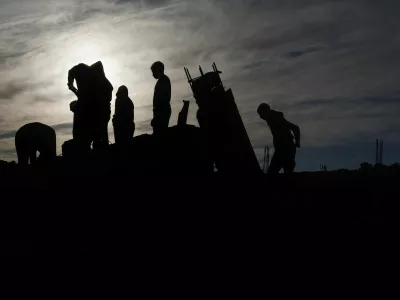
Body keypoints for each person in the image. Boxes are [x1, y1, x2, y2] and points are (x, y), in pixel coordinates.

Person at [257, 103, 300, 174]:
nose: (260, 117)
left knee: (273, 173)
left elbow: (295, 128)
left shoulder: (276, 118)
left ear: (266, 111)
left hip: (285, 149)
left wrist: (297, 142)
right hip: (282, 149)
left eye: (261, 114)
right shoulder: (271, 118)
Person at [68, 63, 93, 150]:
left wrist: (71, 87)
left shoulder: (84, 99)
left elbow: (71, 72)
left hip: (83, 134)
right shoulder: (87, 93)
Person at [90, 61, 113, 150]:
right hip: (104, 112)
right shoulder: (106, 84)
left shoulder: (98, 84)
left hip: (100, 113)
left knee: (99, 136)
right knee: (102, 134)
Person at [150, 61, 171, 135]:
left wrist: (156, 117)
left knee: (159, 135)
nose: (152, 74)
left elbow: (162, 101)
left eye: (153, 71)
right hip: (161, 113)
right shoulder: (162, 80)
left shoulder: (163, 80)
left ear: (159, 70)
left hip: (162, 113)